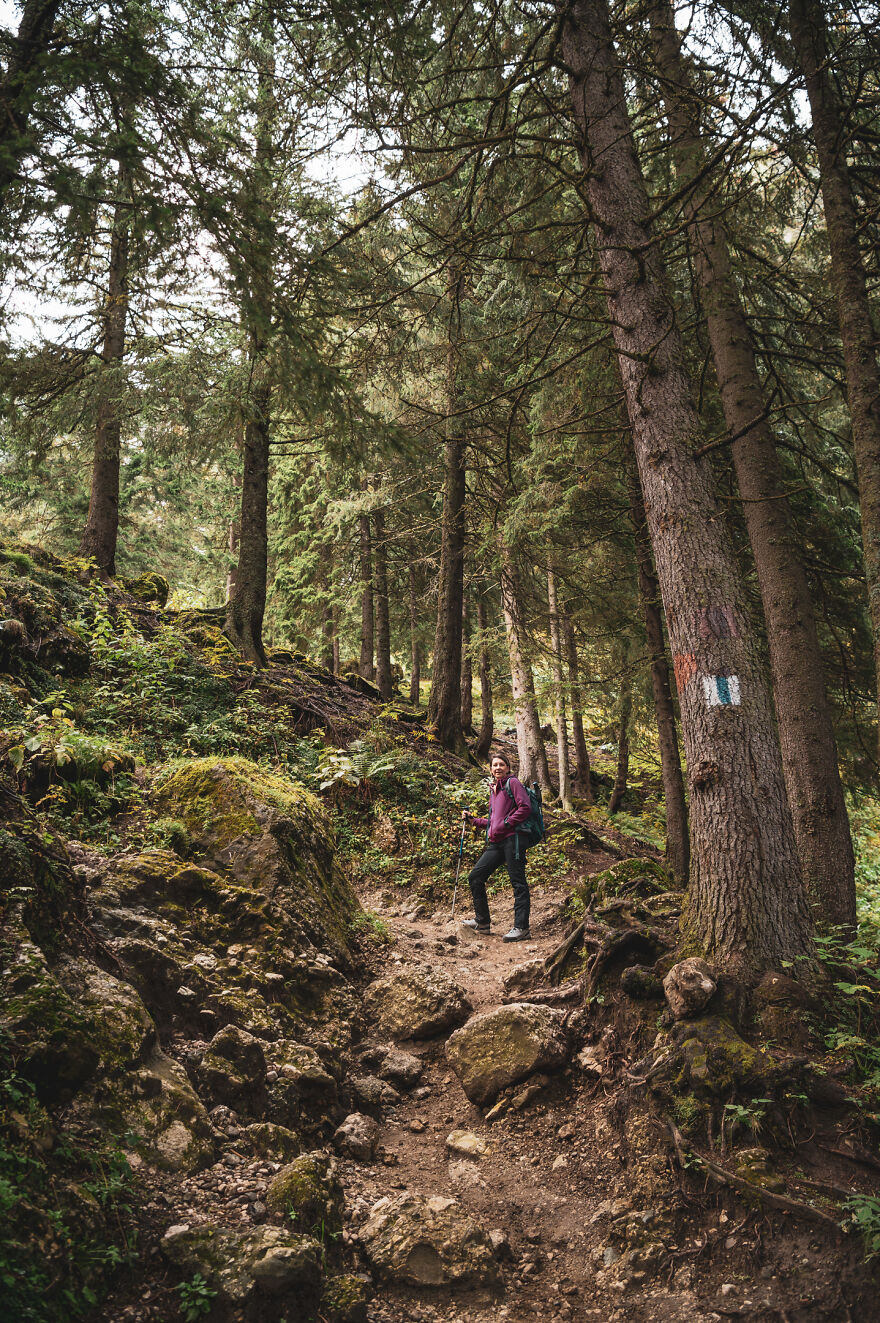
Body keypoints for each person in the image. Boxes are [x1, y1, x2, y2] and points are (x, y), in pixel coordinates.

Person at [461, 752, 532, 942]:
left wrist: (507, 824)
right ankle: (482, 922)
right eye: (494, 765)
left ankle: (522, 927)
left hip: (513, 839)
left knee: (518, 882)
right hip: (497, 841)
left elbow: (525, 807)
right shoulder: (495, 790)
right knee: (476, 876)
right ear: (491, 770)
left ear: (508, 768)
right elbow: (494, 821)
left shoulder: (513, 783)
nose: (498, 768)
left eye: (501, 764)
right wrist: (473, 820)